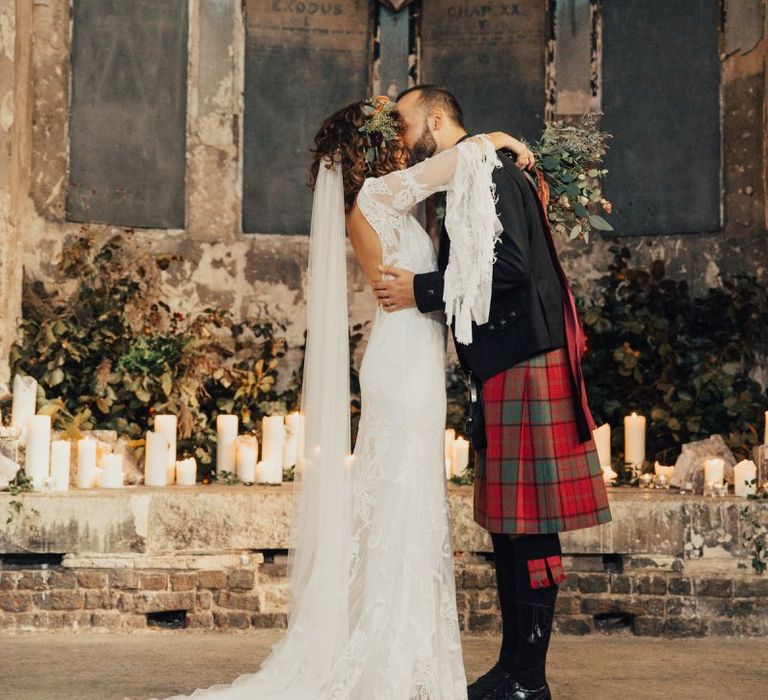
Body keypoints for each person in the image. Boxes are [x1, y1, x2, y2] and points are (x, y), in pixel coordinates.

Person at [161, 97, 531, 699]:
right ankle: (396, 663)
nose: (403, 138)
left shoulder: (380, 203)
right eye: (392, 129)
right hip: (405, 367)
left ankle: (406, 654)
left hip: (408, 358)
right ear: (371, 146)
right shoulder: (380, 199)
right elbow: (460, 160)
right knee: (405, 503)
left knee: (405, 503)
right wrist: (502, 137)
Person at [374, 86, 612, 700]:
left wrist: (420, 291)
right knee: (510, 525)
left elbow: (508, 271)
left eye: (403, 124)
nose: (401, 140)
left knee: (529, 525)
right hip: (510, 361)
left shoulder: (490, 173)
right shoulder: (473, 168)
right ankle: (514, 671)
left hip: (527, 358)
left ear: (435, 117)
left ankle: (528, 680)